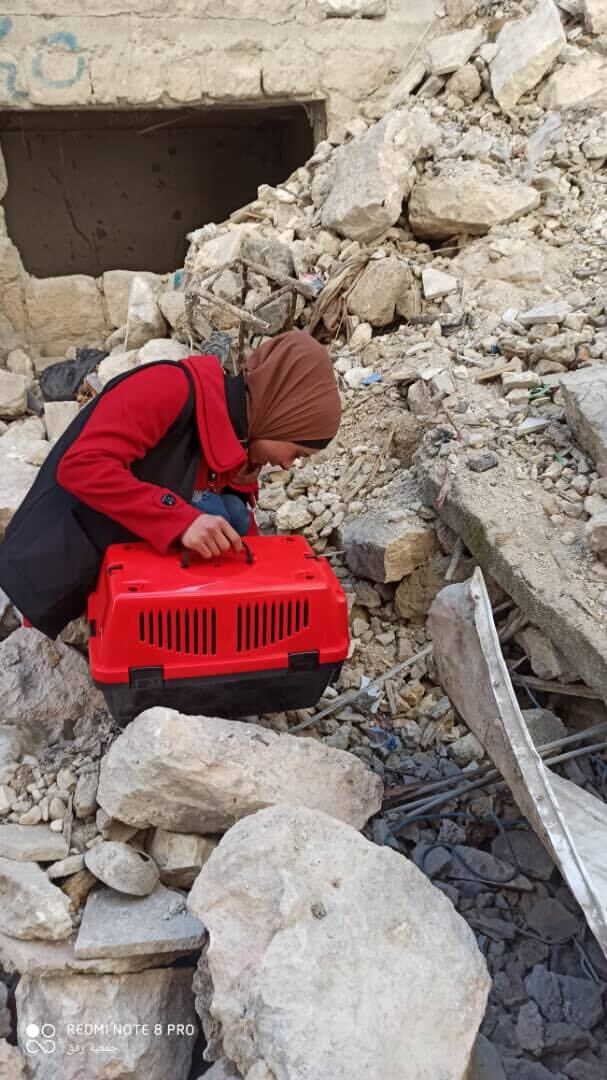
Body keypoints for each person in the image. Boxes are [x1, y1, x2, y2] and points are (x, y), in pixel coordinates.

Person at [0, 330, 341, 639]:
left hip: (109, 562)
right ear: (279, 414)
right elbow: (81, 466)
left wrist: (264, 585)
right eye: (295, 452)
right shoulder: (168, 388)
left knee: (231, 515)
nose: (286, 464)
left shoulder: (235, 435)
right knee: (207, 513)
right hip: (48, 570)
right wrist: (180, 521)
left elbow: (238, 515)